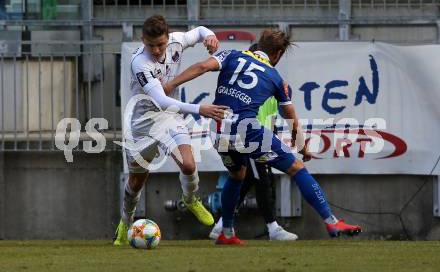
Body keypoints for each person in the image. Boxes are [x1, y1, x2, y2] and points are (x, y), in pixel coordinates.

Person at [164, 29, 362, 245]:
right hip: (246, 129)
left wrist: (170, 85)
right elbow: (291, 116)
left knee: (238, 174)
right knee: (297, 167)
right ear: (277, 54)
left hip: (217, 128)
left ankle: (226, 232)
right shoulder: (275, 77)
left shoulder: (231, 55)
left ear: (258, 45)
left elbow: (202, 67)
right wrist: (302, 147)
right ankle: (331, 220)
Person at [113, 15, 228, 246]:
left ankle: (190, 199)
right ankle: (126, 221)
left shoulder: (177, 40)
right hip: (142, 124)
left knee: (188, 164)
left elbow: (199, 31)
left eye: (161, 44)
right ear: (142, 40)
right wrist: (199, 109)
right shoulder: (139, 63)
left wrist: (210, 36)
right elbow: (162, 100)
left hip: (170, 119)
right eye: (150, 45)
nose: (156, 50)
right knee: (136, 182)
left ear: (168, 38)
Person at [208, 44, 298, 241]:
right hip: (250, 138)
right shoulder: (257, 84)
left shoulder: (273, 83)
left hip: (261, 137)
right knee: (261, 181)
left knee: (246, 179)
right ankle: (272, 228)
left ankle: (221, 225)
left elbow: (278, 113)